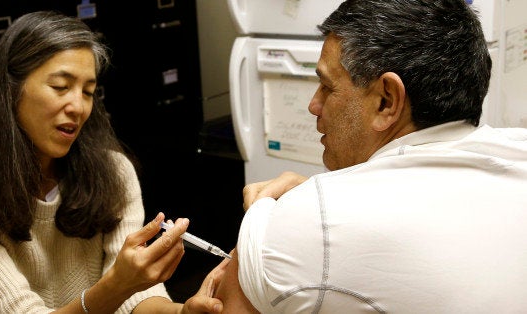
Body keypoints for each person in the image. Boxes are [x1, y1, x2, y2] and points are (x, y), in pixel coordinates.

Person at [214, 0, 527, 313]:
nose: (313, 105)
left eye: (326, 86)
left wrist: (266, 223)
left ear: (386, 101)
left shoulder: (309, 226)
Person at [0, 11, 226, 313]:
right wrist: (119, 284)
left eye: (88, 92)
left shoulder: (114, 172)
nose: (79, 106)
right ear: (10, 91)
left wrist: (180, 312)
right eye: (60, 87)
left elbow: (136, 300)